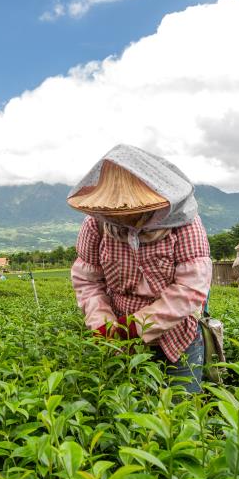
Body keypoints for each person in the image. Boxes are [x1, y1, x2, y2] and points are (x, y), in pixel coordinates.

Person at [68, 145, 212, 393]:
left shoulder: (184, 224)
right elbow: (87, 280)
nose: (124, 218)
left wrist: (135, 327)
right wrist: (104, 325)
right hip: (122, 344)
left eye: (132, 209)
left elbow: (190, 289)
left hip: (178, 339)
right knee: (132, 413)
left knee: (182, 413)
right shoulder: (97, 225)